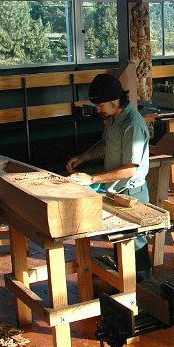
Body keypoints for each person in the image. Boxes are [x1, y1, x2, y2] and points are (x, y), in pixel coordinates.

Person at [66, 73, 152, 277]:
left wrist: (91, 179)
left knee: (135, 245)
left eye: (100, 105)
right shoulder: (113, 118)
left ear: (115, 101)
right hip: (116, 191)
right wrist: (83, 157)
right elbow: (105, 144)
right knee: (120, 243)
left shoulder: (132, 124)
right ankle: (125, 285)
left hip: (132, 194)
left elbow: (130, 169)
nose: (98, 110)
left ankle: (144, 288)